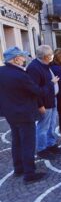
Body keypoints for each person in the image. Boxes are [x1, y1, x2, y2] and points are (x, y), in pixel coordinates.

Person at [0, 47, 48, 183]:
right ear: (15, 59)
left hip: (10, 114)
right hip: (25, 114)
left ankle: (18, 168)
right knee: (28, 143)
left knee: (16, 141)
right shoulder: (21, 75)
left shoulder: (1, 72)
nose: (24, 59)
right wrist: (50, 85)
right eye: (22, 57)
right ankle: (29, 174)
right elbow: (37, 91)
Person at [27, 45, 61, 160]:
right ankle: (41, 149)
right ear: (46, 56)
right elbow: (34, 90)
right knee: (43, 127)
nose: (52, 56)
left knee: (51, 125)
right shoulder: (34, 68)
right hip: (44, 103)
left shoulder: (45, 65)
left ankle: (51, 144)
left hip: (51, 100)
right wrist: (40, 105)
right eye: (51, 54)